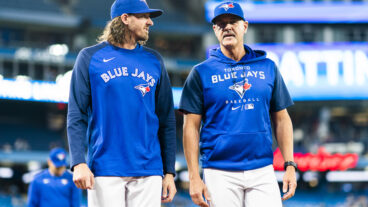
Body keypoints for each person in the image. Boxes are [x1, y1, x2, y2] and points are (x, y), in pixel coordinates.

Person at [179, 2, 297, 207]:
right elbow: (190, 126)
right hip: (219, 171)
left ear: (245, 26)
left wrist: (289, 165)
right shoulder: (200, 72)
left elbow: (282, 118)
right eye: (221, 24)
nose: (227, 27)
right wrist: (194, 177)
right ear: (215, 30)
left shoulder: (268, 67)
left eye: (233, 21)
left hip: (262, 169)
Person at [67, 0, 177, 206]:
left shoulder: (155, 60)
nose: (150, 22)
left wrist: (169, 171)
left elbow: (167, 120)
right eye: (144, 16)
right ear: (125, 18)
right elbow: (76, 114)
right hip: (105, 167)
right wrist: (78, 162)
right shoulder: (90, 57)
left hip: (149, 169)